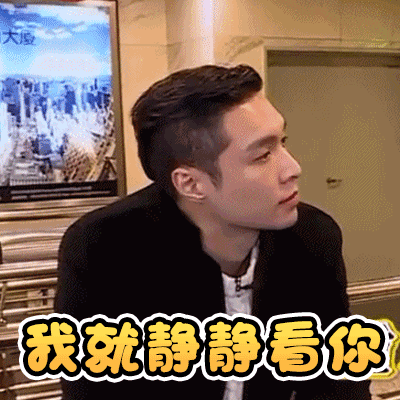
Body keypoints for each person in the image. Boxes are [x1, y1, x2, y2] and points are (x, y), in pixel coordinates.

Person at [55, 64, 371, 399]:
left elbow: (337, 377)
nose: (293, 168)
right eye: (263, 155)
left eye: (283, 142)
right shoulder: (103, 248)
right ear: (191, 183)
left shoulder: (312, 237)